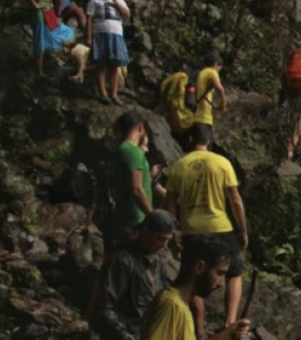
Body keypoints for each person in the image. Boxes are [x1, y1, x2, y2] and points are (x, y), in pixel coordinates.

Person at [166, 124, 247, 339]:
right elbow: (235, 200)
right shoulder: (221, 162)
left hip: (191, 229)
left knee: (195, 275)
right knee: (235, 272)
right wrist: (243, 230)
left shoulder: (178, 166)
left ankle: (199, 330)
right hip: (220, 226)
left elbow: (171, 207)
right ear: (209, 140)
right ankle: (229, 323)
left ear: (190, 139)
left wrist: (172, 235)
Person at [140, 234, 250, 340]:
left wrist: (226, 335)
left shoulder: (182, 306)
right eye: (219, 273)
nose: (221, 283)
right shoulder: (172, 306)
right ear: (199, 267)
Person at [94, 209, 176, 340]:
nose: (164, 245)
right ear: (145, 232)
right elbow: (105, 306)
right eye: (160, 239)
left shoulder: (157, 260)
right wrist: (123, 334)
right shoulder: (122, 262)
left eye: (168, 240)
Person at [106, 112, 154, 251]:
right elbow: (136, 189)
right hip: (134, 218)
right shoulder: (131, 151)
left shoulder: (127, 150)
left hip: (131, 217)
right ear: (140, 127)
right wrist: (151, 214)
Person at [22, 0, 76, 75]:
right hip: (39, 15)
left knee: (59, 32)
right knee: (40, 42)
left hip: (48, 12)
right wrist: (35, 4)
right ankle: (39, 72)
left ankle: (42, 68)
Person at [86, 0, 132, 105]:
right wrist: (88, 37)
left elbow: (127, 14)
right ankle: (103, 93)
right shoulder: (94, 1)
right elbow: (89, 20)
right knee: (101, 65)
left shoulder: (120, 0)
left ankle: (114, 94)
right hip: (99, 34)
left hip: (116, 34)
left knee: (114, 66)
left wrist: (115, 0)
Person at [193, 54, 227, 128]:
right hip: (203, 116)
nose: (219, 71)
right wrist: (223, 104)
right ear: (216, 64)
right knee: (202, 139)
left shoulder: (201, 72)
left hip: (194, 113)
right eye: (219, 68)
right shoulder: (212, 72)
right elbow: (219, 88)